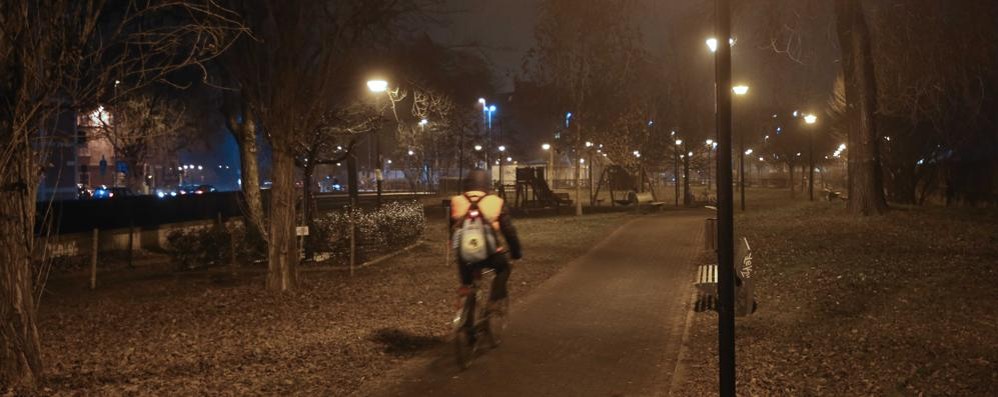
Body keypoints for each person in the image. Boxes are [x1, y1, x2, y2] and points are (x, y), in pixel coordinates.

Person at [450, 169, 522, 312]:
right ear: (486, 184)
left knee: (468, 281)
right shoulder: (496, 202)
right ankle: (494, 301)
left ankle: (465, 296)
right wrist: (516, 253)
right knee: (503, 268)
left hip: (464, 256)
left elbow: (452, 230)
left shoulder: (457, 201)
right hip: (490, 254)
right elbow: (509, 231)